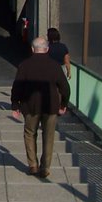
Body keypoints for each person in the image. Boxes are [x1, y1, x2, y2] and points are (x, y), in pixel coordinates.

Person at [11, 35, 70, 179]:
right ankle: (45, 168)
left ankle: (33, 165)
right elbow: (65, 88)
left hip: (29, 106)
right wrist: (63, 104)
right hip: (51, 106)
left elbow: (17, 87)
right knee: (48, 136)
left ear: (32, 49)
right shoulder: (55, 66)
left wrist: (15, 105)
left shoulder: (24, 65)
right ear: (47, 49)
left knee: (30, 133)